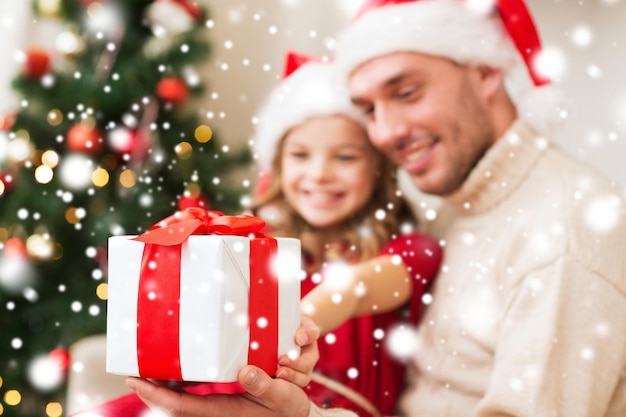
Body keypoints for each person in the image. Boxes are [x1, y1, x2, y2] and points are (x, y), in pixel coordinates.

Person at [125, 0, 626, 416]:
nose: (384, 133)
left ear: (487, 70)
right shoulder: (458, 205)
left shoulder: (564, 230)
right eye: (367, 110)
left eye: (406, 92)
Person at [248, 51, 442, 416]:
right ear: (277, 163)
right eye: (300, 155)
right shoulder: (259, 249)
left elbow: (354, 288)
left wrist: (302, 324)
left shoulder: (412, 250)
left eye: (345, 157)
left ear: (379, 169)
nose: (319, 174)